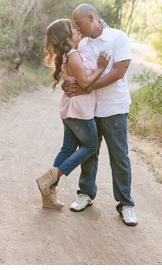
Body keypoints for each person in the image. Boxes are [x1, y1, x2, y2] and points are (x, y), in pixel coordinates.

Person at [62, 3, 137, 226]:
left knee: (119, 157)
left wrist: (87, 87)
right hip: (89, 109)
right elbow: (75, 69)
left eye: (79, 24)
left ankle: (126, 204)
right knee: (88, 153)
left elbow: (119, 71)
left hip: (114, 108)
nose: (77, 28)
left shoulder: (118, 38)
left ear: (92, 18)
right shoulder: (82, 44)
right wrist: (69, 85)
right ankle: (85, 194)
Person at [36, 19, 110, 209]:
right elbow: (85, 84)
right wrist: (101, 68)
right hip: (79, 110)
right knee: (91, 146)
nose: (77, 30)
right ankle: (50, 178)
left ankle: (49, 194)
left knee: (67, 148)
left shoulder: (68, 54)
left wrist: (101, 26)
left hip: (70, 108)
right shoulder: (73, 54)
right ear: (67, 37)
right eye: (73, 29)